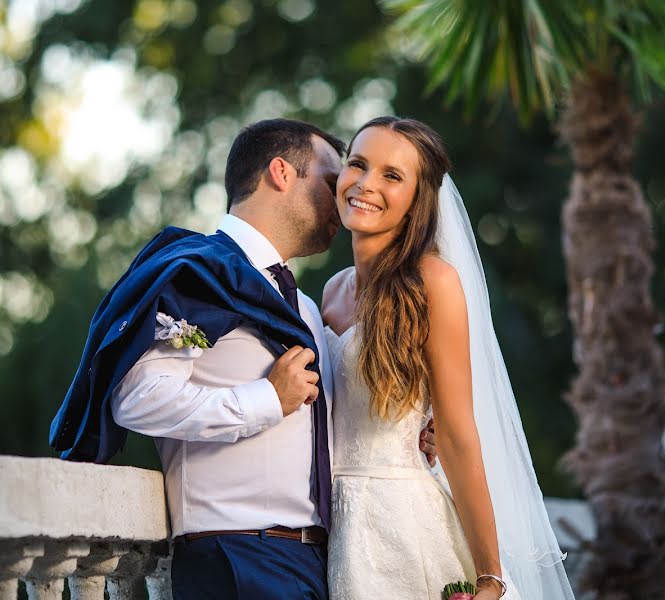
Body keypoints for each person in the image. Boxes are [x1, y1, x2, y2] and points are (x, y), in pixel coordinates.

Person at [48, 118, 436, 599]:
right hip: (237, 557)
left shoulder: (306, 307)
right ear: (281, 172)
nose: (346, 197)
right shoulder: (198, 273)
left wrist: (405, 428)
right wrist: (267, 399)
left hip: (320, 561)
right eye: (333, 181)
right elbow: (135, 399)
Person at [321, 116, 575, 599]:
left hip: (404, 525)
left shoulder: (431, 282)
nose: (366, 184)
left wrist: (489, 577)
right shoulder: (332, 292)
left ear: (418, 198)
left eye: (392, 176)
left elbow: (458, 435)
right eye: (358, 164)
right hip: (332, 529)